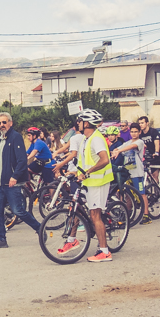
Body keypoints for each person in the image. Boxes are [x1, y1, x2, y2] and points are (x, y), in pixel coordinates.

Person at [53, 109, 115, 262]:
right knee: (76, 206)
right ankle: (71, 239)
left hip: (98, 181)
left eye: (80, 121)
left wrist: (87, 172)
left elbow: (104, 160)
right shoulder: (86, 139)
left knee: (95, 215)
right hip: (88, 181)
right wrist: (73, 172)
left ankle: (105, 251)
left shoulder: (96, 139)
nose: (78, 123)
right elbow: (83, 161)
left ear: (86, 123)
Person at [0, 112, 42, 250]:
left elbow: (22, 160)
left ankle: (40, 228)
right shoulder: (1, 138)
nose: (1, 125)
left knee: (18, 211)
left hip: (11, 183)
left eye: (4, 122)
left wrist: (15, 177)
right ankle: (1, 239)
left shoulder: (15, 137)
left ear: (10, 123)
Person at [112, 123, 152, 225]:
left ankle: (146, 215)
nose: (134, 134)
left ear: (139, 132)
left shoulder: (140, 142)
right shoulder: (127, 142)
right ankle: (128, 214)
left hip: (137, 173)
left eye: (136, 132)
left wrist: (119, 150)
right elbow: (118, 148)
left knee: (141, 193)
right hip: (127, 172)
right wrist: (115, 151)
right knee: (127, 195)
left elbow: (132, 147)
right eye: (132, 132)